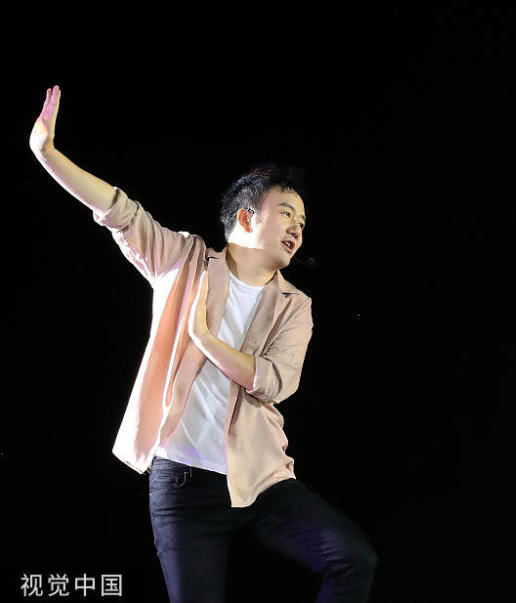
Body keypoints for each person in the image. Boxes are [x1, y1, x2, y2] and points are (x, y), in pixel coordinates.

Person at [29, 85, 377, 603]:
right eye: (287, 213)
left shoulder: (295, 305)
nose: (298, 228)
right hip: (183, 489)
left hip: (261, 481)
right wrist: (48, 154)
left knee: (351, 557)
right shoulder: (184, 261)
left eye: (303, 222)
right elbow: (121, 212)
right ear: (247, 217)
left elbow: (275, 382)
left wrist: (206, 340)